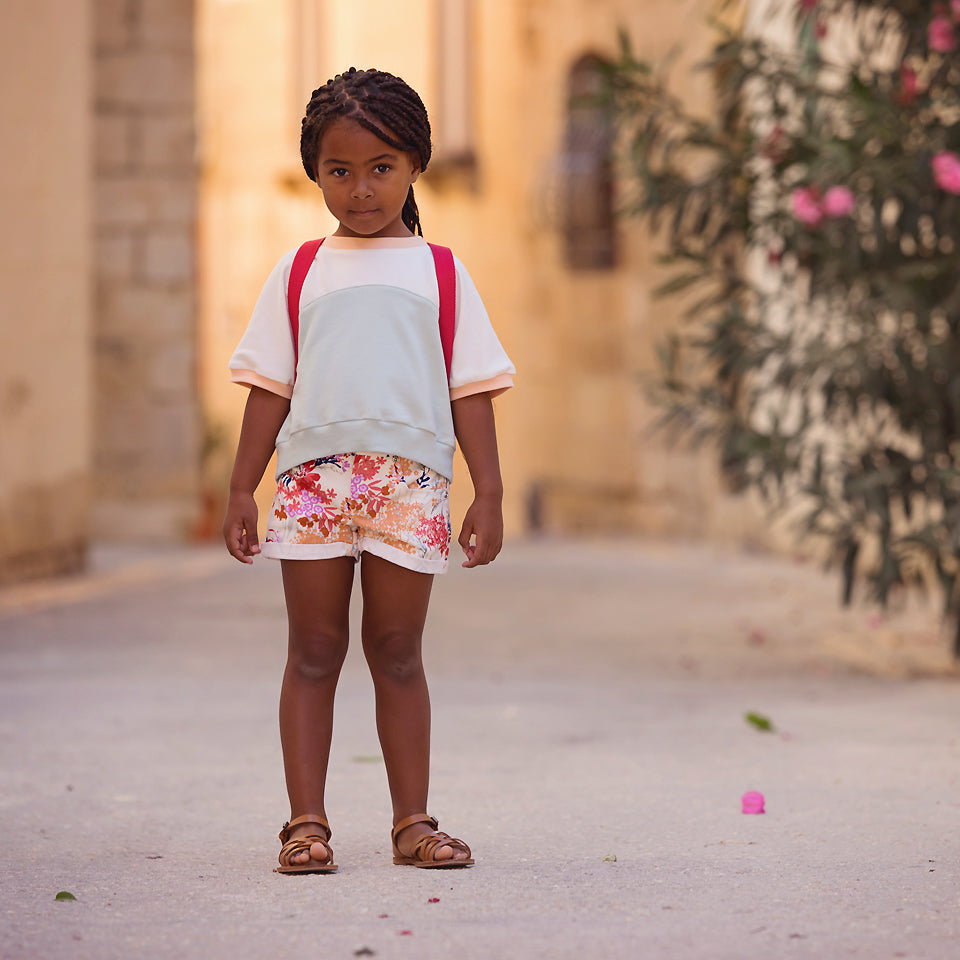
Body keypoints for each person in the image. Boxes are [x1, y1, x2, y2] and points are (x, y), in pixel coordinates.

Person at [222, 67, 514, 873]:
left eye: (381, 168)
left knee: (396, 649)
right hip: (311, 486)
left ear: (416, 163)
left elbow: (472, 392)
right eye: (339, 171)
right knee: (313, 650)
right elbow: (269, 390)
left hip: (408, 487)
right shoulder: (299, 273)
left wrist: (487, 490)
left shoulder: (442, 273)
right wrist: (241, 487)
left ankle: (412, 822)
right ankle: (305, 824)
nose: (360, 190)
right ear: (315, 172)